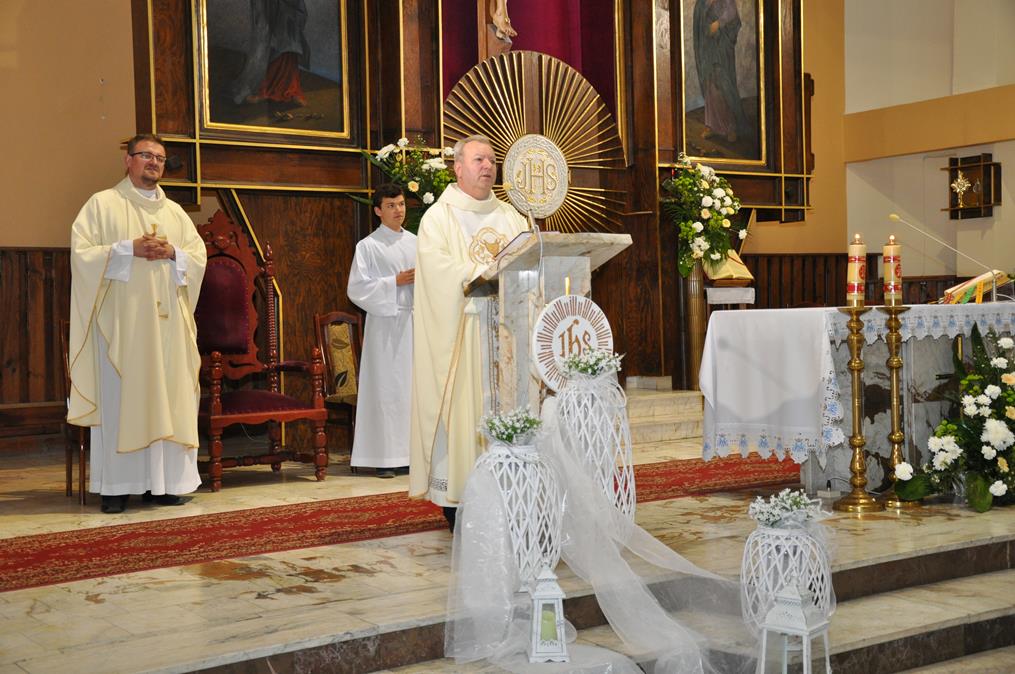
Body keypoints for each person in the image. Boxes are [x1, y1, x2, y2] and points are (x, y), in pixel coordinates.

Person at [68, 133, 207, 514]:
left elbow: (197, 257)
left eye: (159, 157)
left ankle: (164, 485)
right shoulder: (102, 205)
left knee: (171, 398)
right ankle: (117, 487)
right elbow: (82, 255)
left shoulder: (176, 213)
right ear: (128, 161)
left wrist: (173, 252)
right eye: (145, 155)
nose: (153, 162)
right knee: (122, 399)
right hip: (122, 328)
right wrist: (130, 248)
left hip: (168, 328)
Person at [408, 135, 527, 530]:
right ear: (458, 168)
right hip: (463, 335)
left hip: (507, 335)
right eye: (479, 160)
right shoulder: (438, 218)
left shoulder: (512, 217)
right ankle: (458, 505)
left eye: (491, 160)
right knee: (465, 414)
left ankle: (512, 494)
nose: (488, 166)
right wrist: (480, 272)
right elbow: (435, 270)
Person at [346, 184, 416, 478]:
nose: (398, 210)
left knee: (411, 391)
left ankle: (411, 455)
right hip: (384, 326)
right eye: (391, 205)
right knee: (386, 391)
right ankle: (384, 458)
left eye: (401, 204)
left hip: (413, 323)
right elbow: (356, 289)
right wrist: (393, 282)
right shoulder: (368, 246)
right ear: (378, 210)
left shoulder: (417, 243)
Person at [693, 0, 749, 143]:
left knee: (724, 84)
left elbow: (733, 15)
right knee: (710, 85)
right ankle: (712, 125)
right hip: (707, 48)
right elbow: (699, 21)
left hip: (722, 48)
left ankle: (731, 127)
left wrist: (719, 23)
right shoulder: (702, 2)